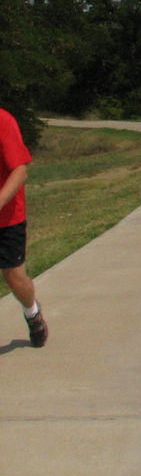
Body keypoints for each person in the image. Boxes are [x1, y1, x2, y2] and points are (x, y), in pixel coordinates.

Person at [0, 108, 48, 347]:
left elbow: (20, 170)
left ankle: (32, 313)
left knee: (14, 275)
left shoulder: (3, 120)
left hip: (7, 216)